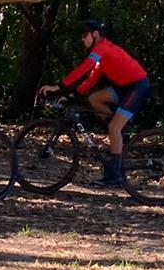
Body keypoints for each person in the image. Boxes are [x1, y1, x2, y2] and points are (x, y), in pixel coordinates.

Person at [38, 20, 151, 186]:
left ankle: (115, 175)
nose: (82, 39)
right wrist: (70, 95)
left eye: (84, 35)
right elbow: (90, 79)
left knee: (114, 128)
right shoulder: (102, 55)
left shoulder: (102, 48)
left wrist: (58, 87)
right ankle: (120, 132)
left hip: (138, 87)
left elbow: (83, 68)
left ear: (95, 34)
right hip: (124, 87)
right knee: (94, 99)